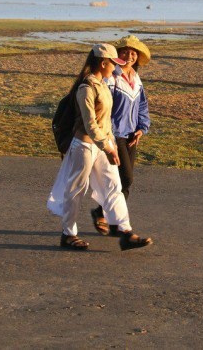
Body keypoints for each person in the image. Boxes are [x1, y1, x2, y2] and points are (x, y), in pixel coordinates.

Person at [46, 43, 153, 251]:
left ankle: (125, 232)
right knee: (76, 190)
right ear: (104, 63)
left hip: (104, 145)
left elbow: (104, 122)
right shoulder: (86, 88)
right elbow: (90, 124)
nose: (116, 67)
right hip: (84, 146)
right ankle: (68, 235)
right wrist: (108, 146)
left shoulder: (103, 84)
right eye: (113, 63)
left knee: (114, 186)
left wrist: (110, 144)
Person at [90, 35, 151, 237]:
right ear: (118, 54)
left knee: (123, 181)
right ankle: (106, 216)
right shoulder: (111, 77)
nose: (130, 56)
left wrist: (142, 127)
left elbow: (142, 105)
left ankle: (111, 220)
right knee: (125, 179)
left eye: (134, 53)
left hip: (132, 135)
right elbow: (103, 105)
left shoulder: (136, 78)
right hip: (114, 135)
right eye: (125, 52)